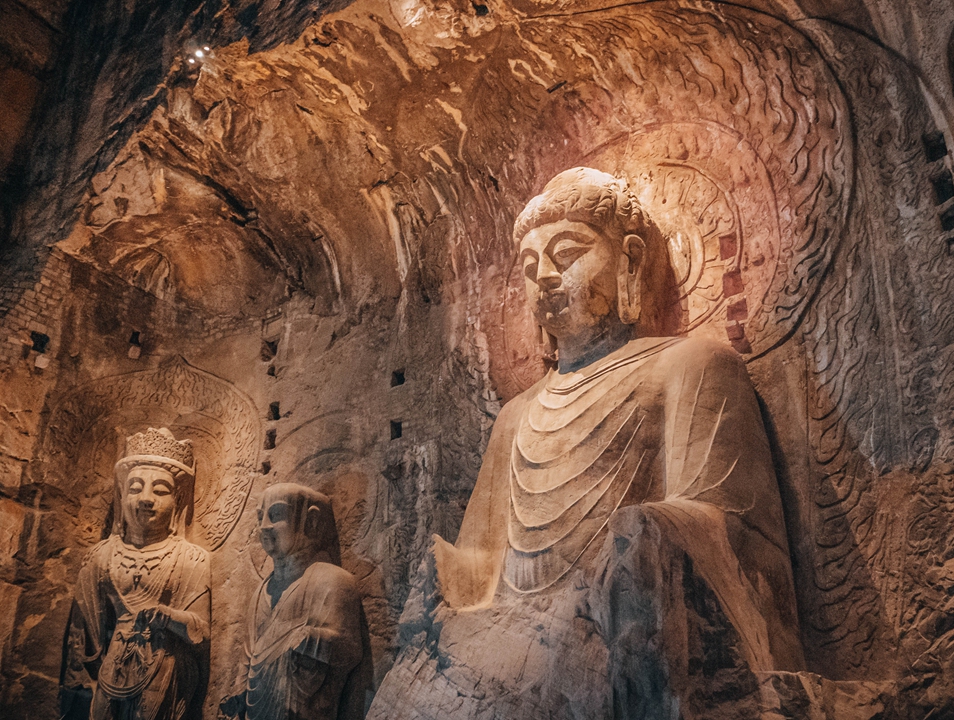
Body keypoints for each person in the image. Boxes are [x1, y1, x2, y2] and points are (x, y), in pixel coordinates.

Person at [371, 168, 803, 719]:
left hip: (610, 623)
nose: (545, 277)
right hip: (506, 636)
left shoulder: (689, 365)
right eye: (529, 267)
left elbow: (733, 530)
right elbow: (482, 561)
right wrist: (445, 573)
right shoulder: (516, 415)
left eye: (567, 253)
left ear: (628, 259)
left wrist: (646, 534)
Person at [60, 428, 211, 720]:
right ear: (121, 495)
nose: (146, 499)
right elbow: (83, 642)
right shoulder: (100, 557)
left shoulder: (191, 558)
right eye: (135, 487)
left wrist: (168, 616)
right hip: (109, 674)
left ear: (178, 500)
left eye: (160, 490)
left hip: (164, 675)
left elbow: (200, 633)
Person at [221, 483, 368, 720]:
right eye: (261, 516)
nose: (264, 525)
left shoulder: (332, 580)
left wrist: (309, 638)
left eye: (276, 514)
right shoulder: (261, 591)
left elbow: (350, 651)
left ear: (311, 522)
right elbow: (248, 659)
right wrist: (239, 692)